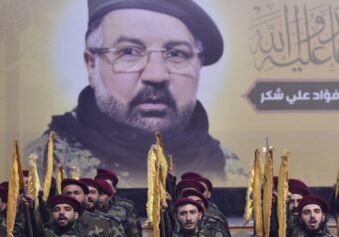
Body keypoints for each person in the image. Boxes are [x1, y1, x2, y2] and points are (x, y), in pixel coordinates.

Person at [25, 0, 245, 186]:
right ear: (92, 66)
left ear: (199, 64)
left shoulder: (230, 169)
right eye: (129, 52)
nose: (156, 75)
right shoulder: (41, 164)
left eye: (177, 53)